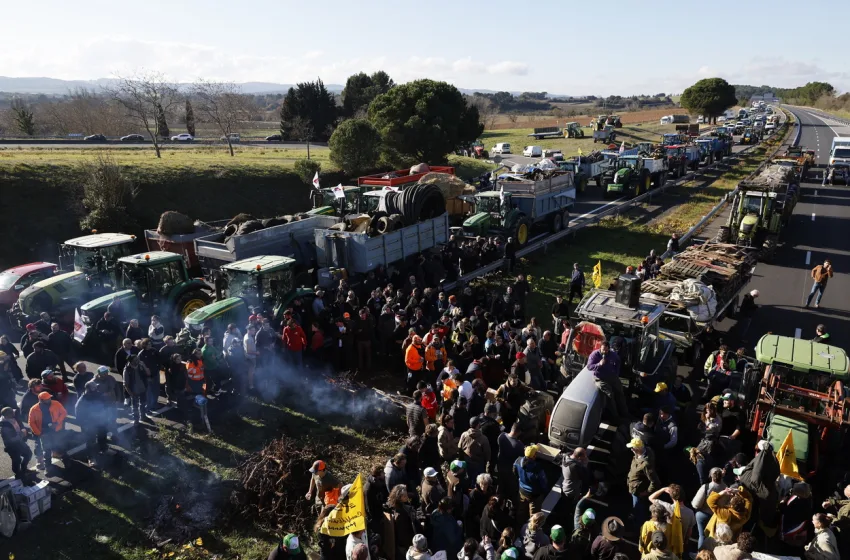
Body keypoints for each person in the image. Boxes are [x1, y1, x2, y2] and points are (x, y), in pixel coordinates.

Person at [587, 341, 628, 422]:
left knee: (620, 391)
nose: (604, 352)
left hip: (611, 376)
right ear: (600, 348)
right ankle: (615, 416)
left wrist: (616, 373)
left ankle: (625, 413)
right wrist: (599, 364)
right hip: (600, 378)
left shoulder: (613, 354)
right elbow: (589, 367)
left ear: (609, 349)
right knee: (610, 394)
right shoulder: (594, 354)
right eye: (603, 350)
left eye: (606, 350)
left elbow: (618, 361)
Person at [649, 484, 695, 556]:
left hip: (667, 542)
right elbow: (689, 531)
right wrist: (685, 542)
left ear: (671, 497)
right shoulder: (690, 512)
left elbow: (651, 497)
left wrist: (663, 489)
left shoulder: (667, 507)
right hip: (680, 542)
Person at [28, 391, 67, 471]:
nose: (49, 399)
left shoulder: (56, 403)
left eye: (49, 398)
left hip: (56, 430)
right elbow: (31, 422)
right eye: (47, 399)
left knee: (59, 444)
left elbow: (63, 413)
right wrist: (39, 433)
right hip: (43, 432)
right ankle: (48, 467)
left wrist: (57, 422)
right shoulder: (34, 409)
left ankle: (63, 458)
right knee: (46, 450)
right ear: (41, 400)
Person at [75, 380, 111, 467]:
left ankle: (104, 449)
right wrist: (84, 425)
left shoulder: (98, 395)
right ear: (89, 389)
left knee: (102, 436)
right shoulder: (82, 400)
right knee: (90, 441)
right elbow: (78, 414)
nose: (96, 388)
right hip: (89, 424)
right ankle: (91, 458)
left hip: (101, 421)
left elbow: (106, 405)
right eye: (94, 387)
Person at [627, 437, 660, 527]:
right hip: (633, 487)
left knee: (639, 508)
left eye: (633, 448)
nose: (631, 449)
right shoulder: (643, 452)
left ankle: (638, 526)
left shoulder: (646, 464)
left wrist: (647, 492)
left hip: (638, 491)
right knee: (636, 506)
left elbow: (655, 481)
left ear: (638, 449)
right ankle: (635, 515)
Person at [514, 445, 548, 528]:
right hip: (534, 495)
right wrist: (544, 491)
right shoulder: (537, 469)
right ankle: (532, 529)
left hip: (522, 490)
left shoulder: (518, 461)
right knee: (534, 515)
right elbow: (543, 483)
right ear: (534, 456)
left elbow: (514, 472)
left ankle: (519, 525)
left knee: (521, 509)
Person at [692, 467, 727, 549]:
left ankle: (700, 554)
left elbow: (696, 504)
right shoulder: (726, 488)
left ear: (711, 476)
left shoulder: (706, 487)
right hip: (717, 516)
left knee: (702, 535)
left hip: (703, 515)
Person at [386, 484, 421, 560]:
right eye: (404, 496)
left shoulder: (395, 505)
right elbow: (403, 533)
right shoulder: (401, 515)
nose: (407, 497)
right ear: (399, 497)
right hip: (404, 544)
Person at [1, 406, 33, 479]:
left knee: (28, 454)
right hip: (13, 447)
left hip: (20, 443)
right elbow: (11, 440)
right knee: (16, 460)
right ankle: (18, 474)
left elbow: (20, 426)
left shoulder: (13, 418)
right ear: (7, 415)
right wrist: (21, 435)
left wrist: (27, 429)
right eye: (12, 412)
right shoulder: (4, 427)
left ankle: (24, 469)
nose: (14, 413)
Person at [561, 447, 590, 525]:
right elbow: (584, 476)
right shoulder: (574, 467)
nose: (585, 457)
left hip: (565, 485)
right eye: (584, 456)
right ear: (579, 457)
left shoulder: (566, 457)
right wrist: (585, 464)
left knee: (565, 504)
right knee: (571, 507)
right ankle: (568, 520)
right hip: (572, 491)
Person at [459, 416, 491, 480]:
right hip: (478, 464)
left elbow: (459, 447)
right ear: (478, 425)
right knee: (478, 481)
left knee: (468, 478)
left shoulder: (464, 434)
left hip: (467, 462)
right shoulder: (484, 438)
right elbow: (487, 453)